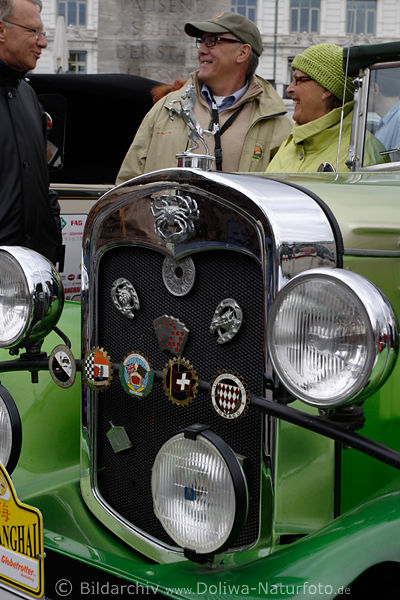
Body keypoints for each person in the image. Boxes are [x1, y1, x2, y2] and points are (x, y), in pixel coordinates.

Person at [116, 12, 292, 182]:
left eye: (212, 42)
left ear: (243, 52)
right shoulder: (167, 107)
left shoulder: (275, 123)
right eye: (201, 42)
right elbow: (128, 182)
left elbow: (284, 196)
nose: (201, 50)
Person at [0, 0, 63, 266]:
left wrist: (51, 243)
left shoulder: (28, 96)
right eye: (33, 32)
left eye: (44, 34)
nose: (43, 43)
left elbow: (40, 180)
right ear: (1, 31)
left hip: (29, 270)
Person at [266, 43, 385, 173]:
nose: (289, 89)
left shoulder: (361, 152)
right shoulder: (293, 142)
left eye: (298, 80)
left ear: (327, 89)